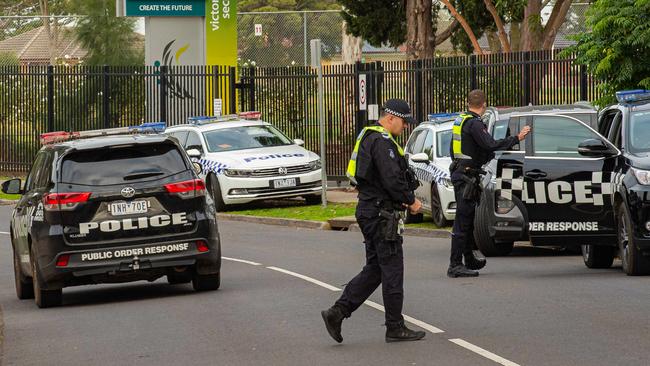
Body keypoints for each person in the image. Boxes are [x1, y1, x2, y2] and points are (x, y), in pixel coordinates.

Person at [321, 99, 426, 343]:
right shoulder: (382, 142)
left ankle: (337, 313)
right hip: (381, 214)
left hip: (371, 211)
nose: (404, 126)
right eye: (403, 121)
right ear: (391, 118)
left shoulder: (369, 136)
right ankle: (395, 327)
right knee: (392, 270)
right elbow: (391, 179)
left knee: (376, 269)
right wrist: (411, 200)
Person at [447, 89, 531, 278]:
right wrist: (516, 138)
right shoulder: (475, 124)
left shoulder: (460, 121)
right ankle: (455, 265)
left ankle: (468, 259)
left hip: (461, 173)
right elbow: (490, 145)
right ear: (483, 105)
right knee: (462, 222)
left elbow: (454, 150)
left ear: (468, 103)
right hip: (466, 176)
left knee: (467, 221)